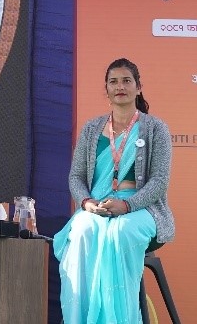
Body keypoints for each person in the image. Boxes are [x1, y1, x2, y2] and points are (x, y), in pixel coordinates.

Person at [54, 58, 174, 324]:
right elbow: (76, 177)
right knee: (83, 232)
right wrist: (86, 203)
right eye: (113, 82)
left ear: (138, 87)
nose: (120, 86)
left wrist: (127, 205)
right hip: (97, 206)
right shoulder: (91, 129)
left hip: (142, 209)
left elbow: (159, 181)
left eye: (126, 81)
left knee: (121, 233)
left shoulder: (156, 128)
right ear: (106, 89)